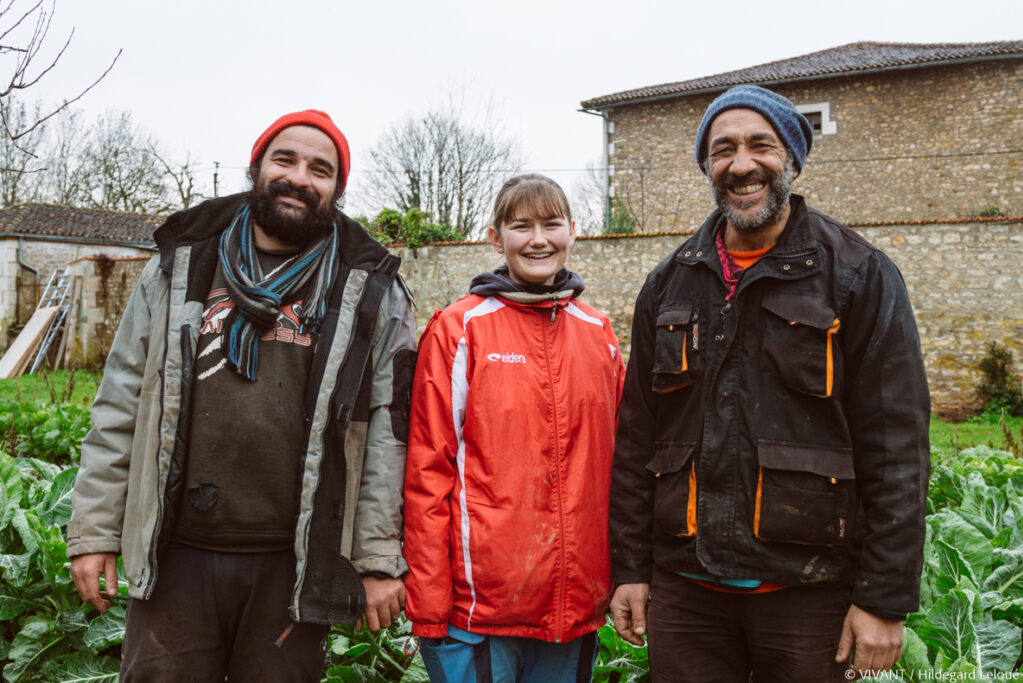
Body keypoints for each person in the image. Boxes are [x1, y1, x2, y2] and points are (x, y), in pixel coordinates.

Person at [67, 110, 417, 681]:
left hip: (293, 561)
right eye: (285, 159)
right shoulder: (180, 265)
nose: (300, 177)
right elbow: (120, 402)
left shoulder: (370, 288)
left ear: (336, 189)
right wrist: (94, 532)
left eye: (319, 169)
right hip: (175, 548)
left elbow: (387, 432)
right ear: (257, 168)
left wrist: (377, 557)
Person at [607, 85, 930, 682]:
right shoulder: (668, 284)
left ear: (794, 161)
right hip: (688, 592)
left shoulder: (858, 275)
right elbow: (638, 438)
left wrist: (883, 601)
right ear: (708, 166)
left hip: (811, 593)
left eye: (762, 145)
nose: (742, 163)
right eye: (723, 149)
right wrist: (630, 568)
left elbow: (897, 447)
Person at [403, 174, 624, 681]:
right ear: (495, 237)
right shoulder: (460, 330)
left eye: (551, 224)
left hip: (574, 611)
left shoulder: (599, 334)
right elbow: (426, 472)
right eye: (521, 226)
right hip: (478, 613)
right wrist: (431, 602)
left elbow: (623, 467)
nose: (538, 238)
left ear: (573, 230)